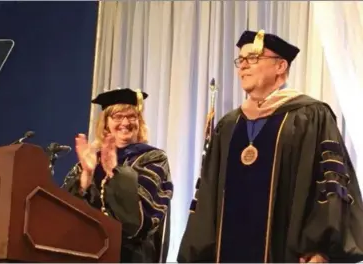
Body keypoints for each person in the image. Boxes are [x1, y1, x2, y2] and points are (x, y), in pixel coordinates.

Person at [177, 30, 363, 263]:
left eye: (253, 58)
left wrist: (321, 248)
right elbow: (207, 192)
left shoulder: (310, 116)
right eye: (241, 60)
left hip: (288, 253)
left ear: (281, 66)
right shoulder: (229, 126)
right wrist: (197, 252)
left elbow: (329, 181)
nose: (243, 66)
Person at [62, 88, 173, 263]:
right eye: (118, 117)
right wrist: (87, 175)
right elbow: (64, 212)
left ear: (139, 122)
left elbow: (140, 218)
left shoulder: (153, 158)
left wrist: (115, 172)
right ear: (106, 123)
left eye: (132, 116)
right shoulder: (90, 160)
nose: (125, 122)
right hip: (87, 254)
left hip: (131, 256)